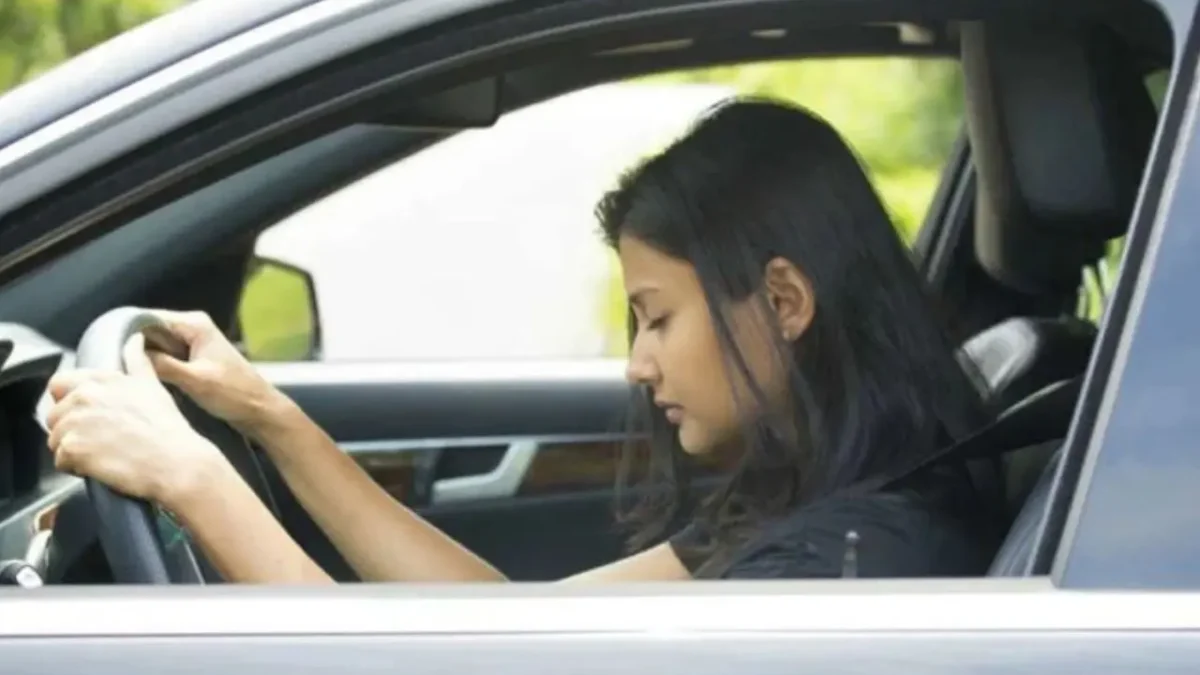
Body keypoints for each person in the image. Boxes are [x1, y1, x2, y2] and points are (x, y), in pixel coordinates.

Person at [44, 98, 1004, 584]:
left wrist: (193, 480)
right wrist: (270, 419)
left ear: (784, 299)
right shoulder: (819, 494)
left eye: (658, 316)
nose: (637, 362)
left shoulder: (844, 564)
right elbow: (507, 625)